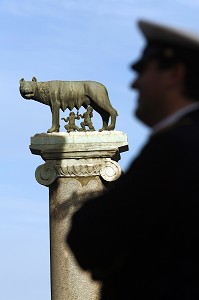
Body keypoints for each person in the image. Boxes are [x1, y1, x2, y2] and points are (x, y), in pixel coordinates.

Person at [66, 19, 199, 299]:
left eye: (142, 70)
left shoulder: (174, 149)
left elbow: (91, 239)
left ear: (174, 73)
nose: (134, 83)